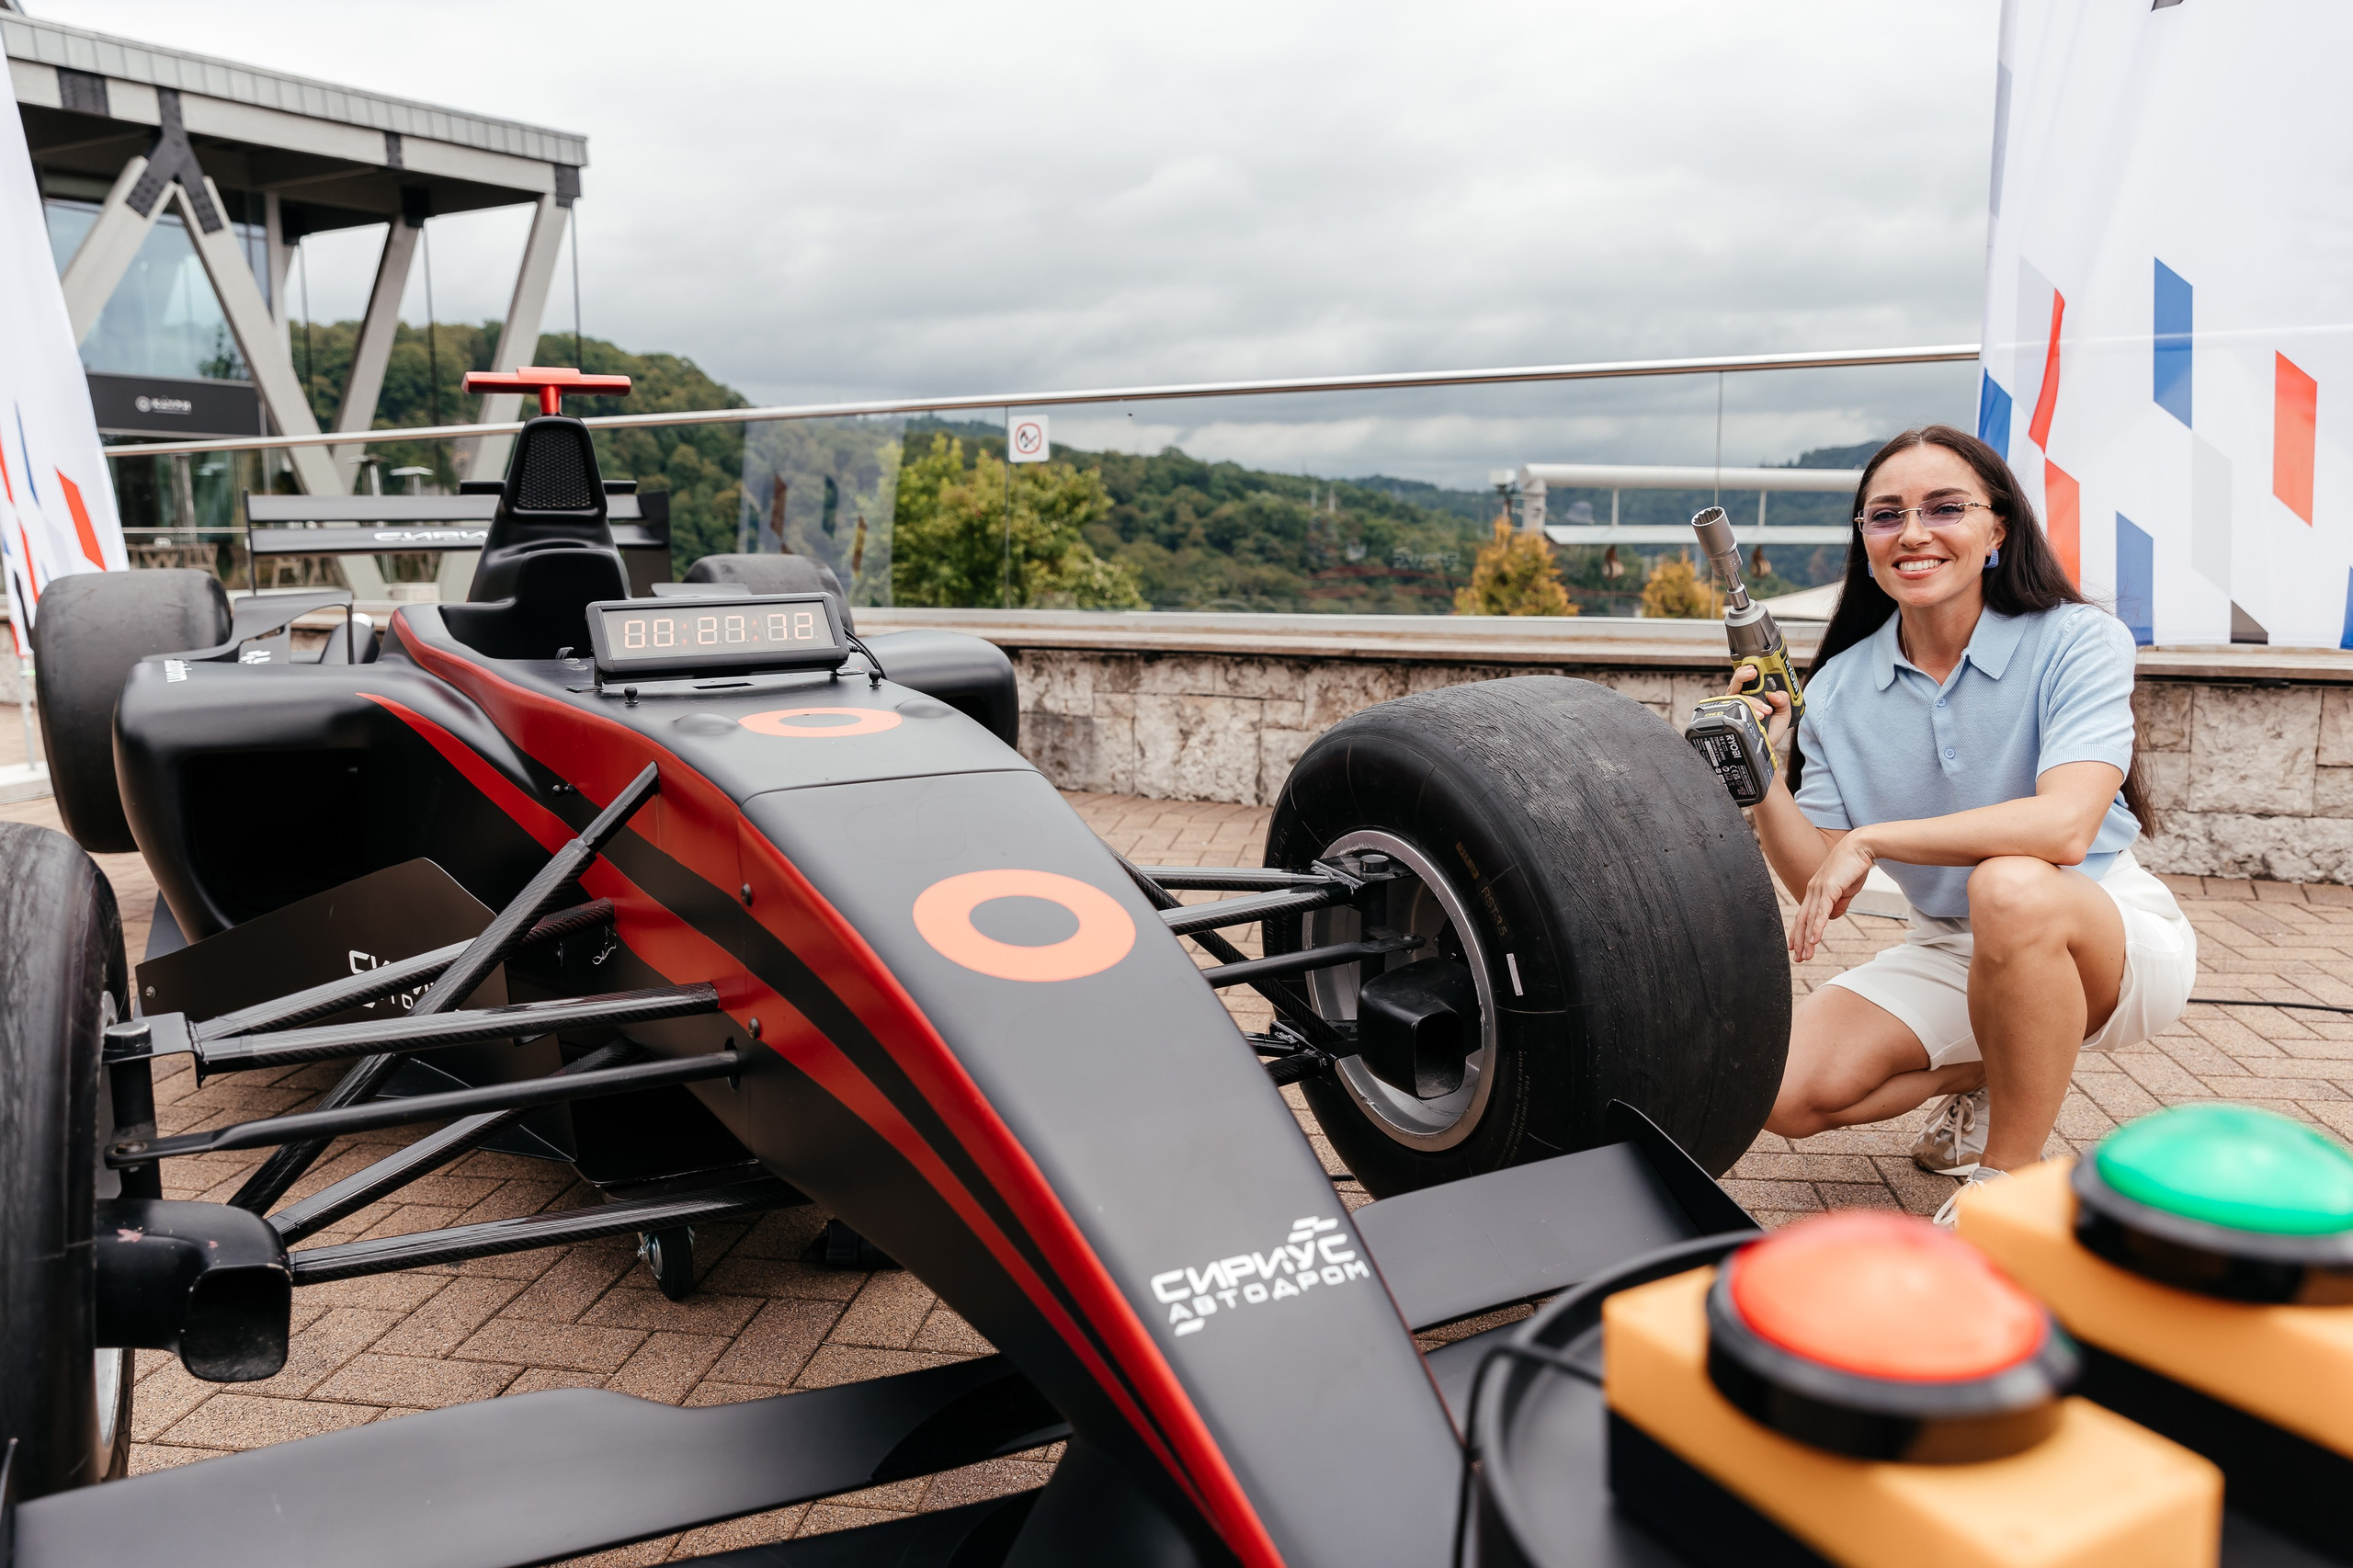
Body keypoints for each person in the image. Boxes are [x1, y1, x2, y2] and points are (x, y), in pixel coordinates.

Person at [1730, 425, 2196, 1226]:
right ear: (1865, 540)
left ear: (1997, 529)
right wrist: (1756, 769)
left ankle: (2006, 1186)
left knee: (2010, 884)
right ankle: (2000, 1066)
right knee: (1778, 1092)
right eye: (1886, 516)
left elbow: (2064, 830)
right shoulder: (1839, 688)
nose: (1912, 533)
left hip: (2098, 925)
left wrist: (1877, 841)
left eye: (1944, 508)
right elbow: (1818, 881)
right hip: (1950, 944)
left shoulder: (2079, 640)